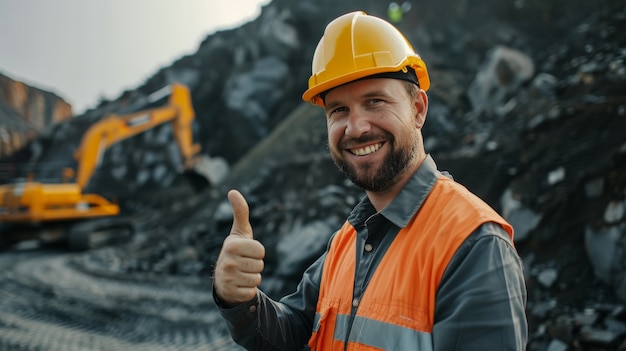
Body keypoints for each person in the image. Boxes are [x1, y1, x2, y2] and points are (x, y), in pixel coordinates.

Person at [213, 10, 528, 351]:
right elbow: (294, 332)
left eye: (374, 101)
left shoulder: (474, 245)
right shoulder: (350, 239)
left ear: (419, 109)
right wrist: (239, 298)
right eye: (339, 110)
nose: (357, 127)